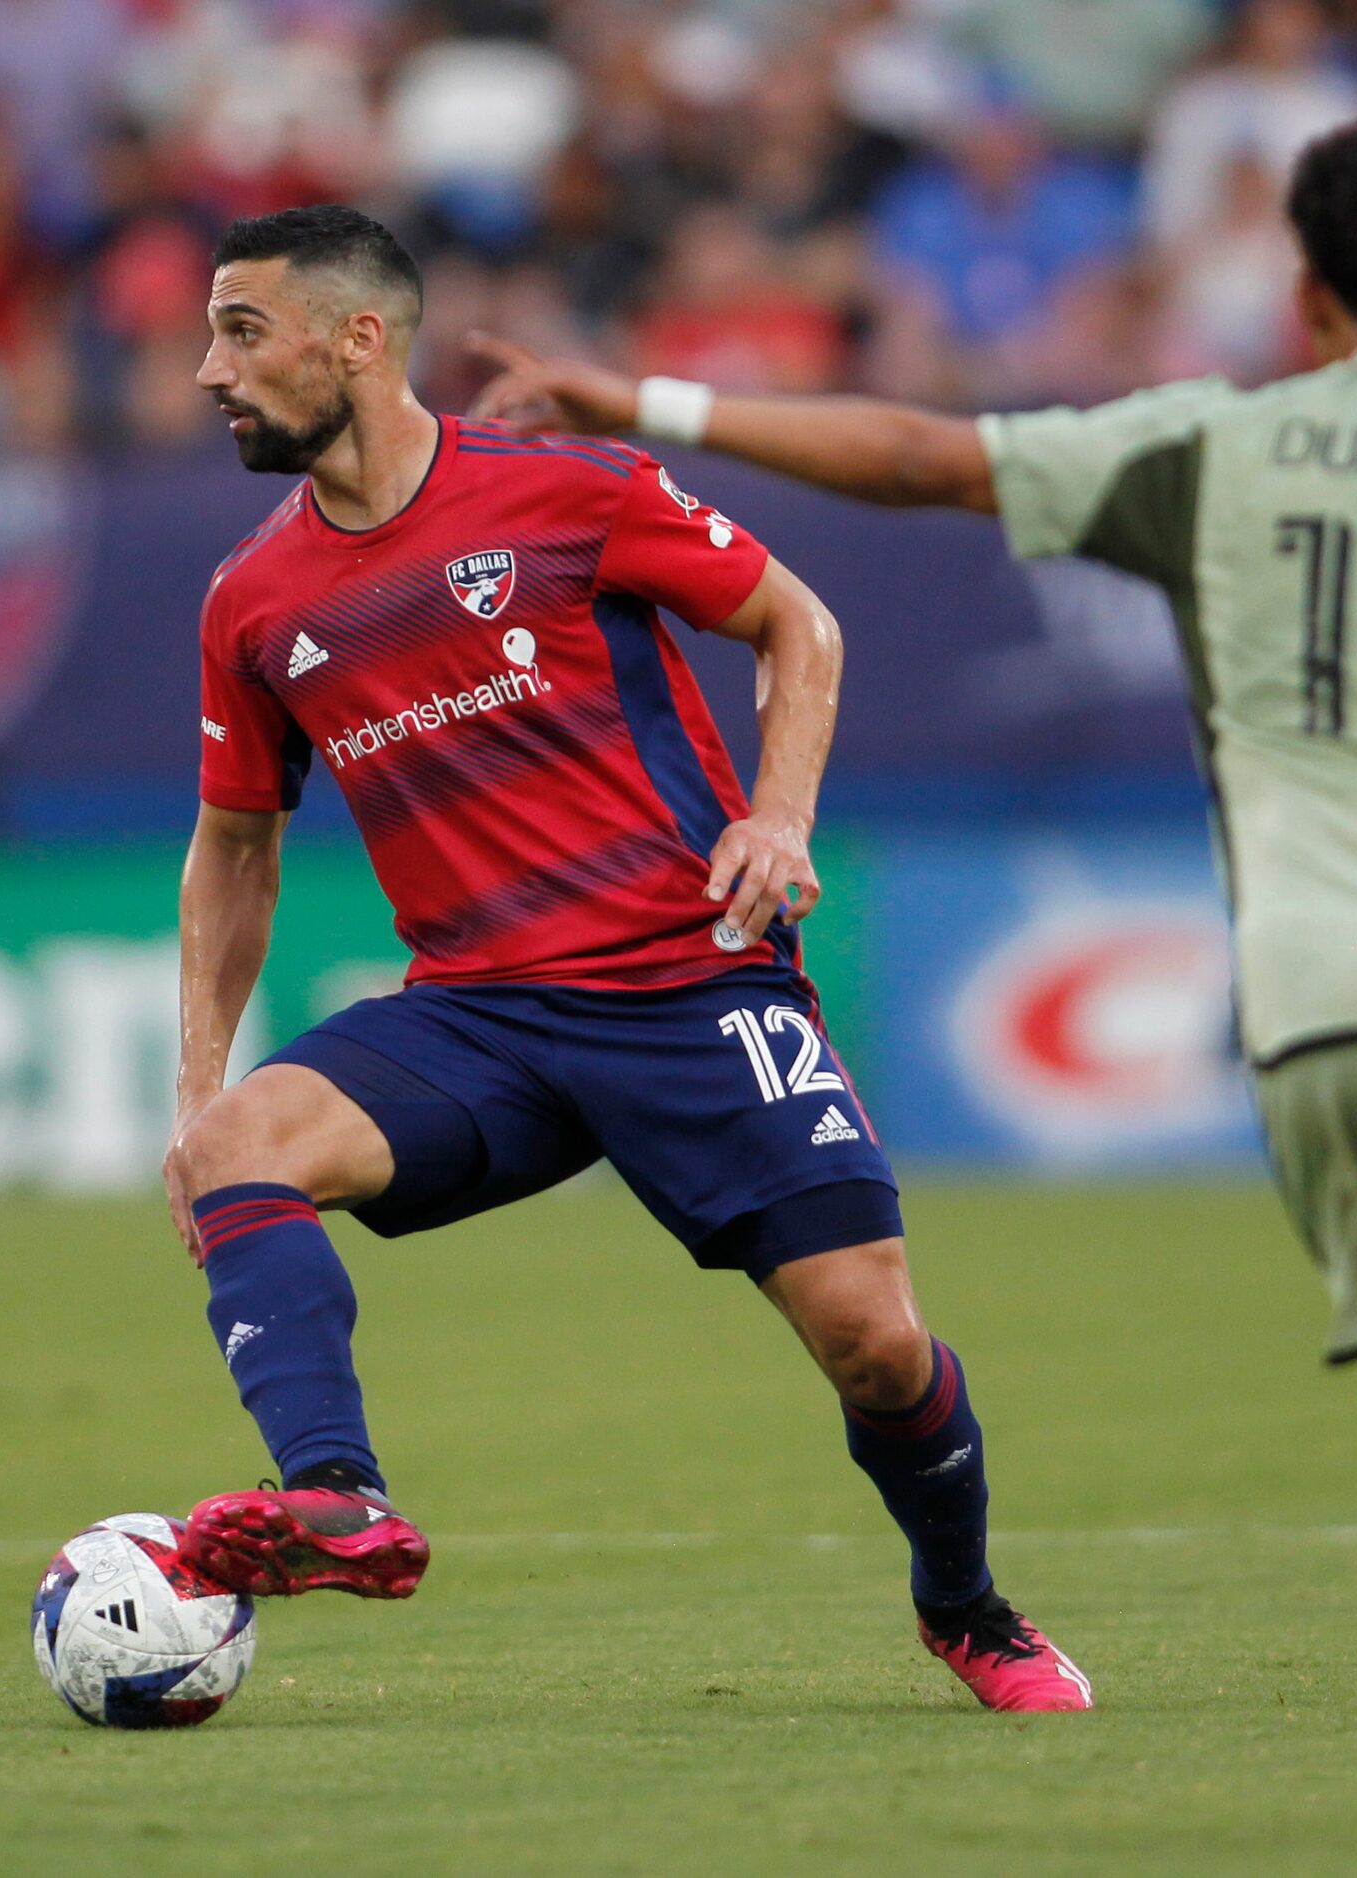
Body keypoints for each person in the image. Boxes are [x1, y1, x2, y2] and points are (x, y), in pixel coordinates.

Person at [468, 116, 1357, 1839]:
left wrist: (640, 401)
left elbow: (914, 453)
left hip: (1321, 997)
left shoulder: (1220, 442)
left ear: (1308, 291)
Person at [164, 204, 1091, 1715]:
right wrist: (194, 1092)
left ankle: (969, 1607)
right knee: (239, 1147)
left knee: (872, 1340)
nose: (211, 368)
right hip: (478, 1018)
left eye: (242, 331)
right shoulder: (254, 600)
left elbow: (800, 622)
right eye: (210, 332)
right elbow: (236, 847)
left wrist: (778, 815)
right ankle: (337, 1494)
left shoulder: (567, 493)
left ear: (359, 338)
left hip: (690, 980)